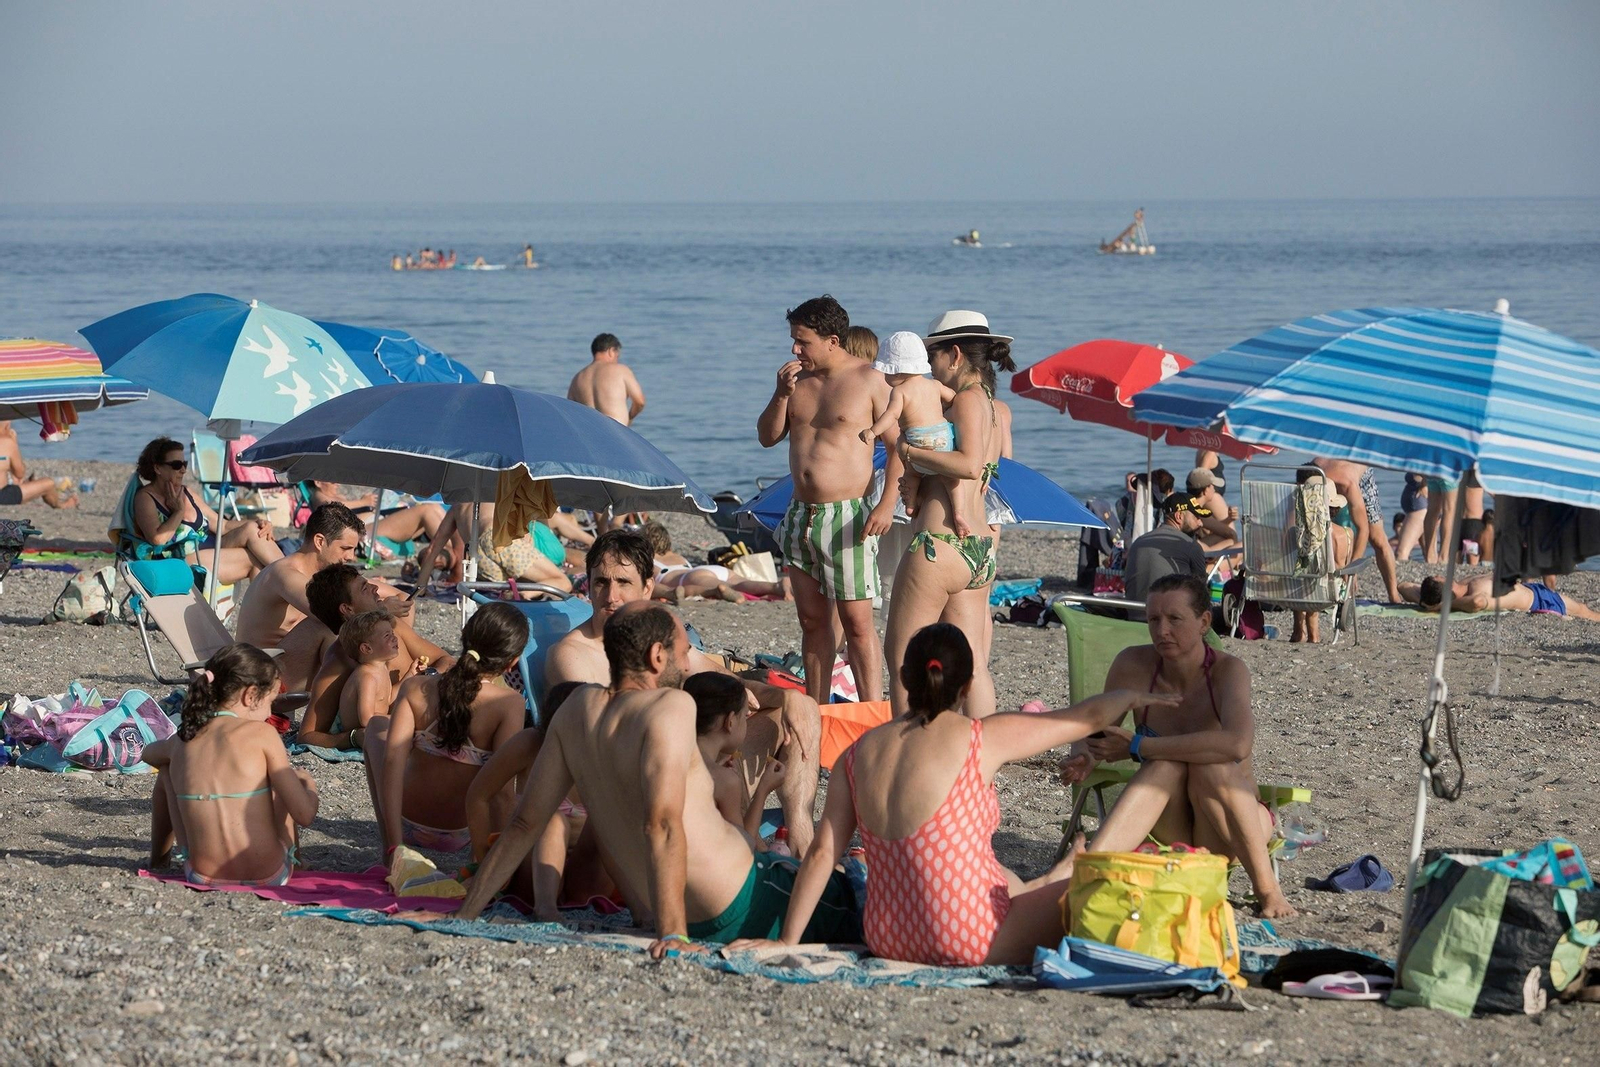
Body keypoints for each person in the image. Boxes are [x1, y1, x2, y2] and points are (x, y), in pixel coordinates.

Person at [731, 623, 1174, 965]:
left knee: (996, 869)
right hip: (969, 936)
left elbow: (823, 851)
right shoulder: (981, 738)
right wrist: (1133, 693)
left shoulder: (858, 751)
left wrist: (787, 940)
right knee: (1096, 887)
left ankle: (1044, 881)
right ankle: (1059, 878)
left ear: (903, 679)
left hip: (888, 939)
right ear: (966, 687)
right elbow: (1086, 716)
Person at [446, 603, 860, 956]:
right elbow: (662, 822)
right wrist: (673, 934)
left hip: (688, 906)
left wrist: (465, 914)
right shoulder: (671, 705)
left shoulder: (573, 711)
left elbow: (524, 824)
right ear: (657, 657)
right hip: (746, 897)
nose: (686, 664)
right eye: (683, 653)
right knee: (861, 897)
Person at [546, 530, 821, 856]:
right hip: (637, 787)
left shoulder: (658, 631)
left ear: (648, 587)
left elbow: (726, 678)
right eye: (601, 583)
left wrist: (787, 698)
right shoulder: (572, 654)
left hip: (688, 767)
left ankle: (802, 841)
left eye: (623, 583)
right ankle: (746, 842)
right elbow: (603, 742)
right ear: (588, 585)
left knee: (798, 709)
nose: (611, 596)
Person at [1060, 574, 1296, 918]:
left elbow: (1237, 745)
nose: (1161, 630)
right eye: (1154, 619)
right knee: (1165, 766)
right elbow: (1097, 729)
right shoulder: (1133, 665)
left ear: (1203, 622)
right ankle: (1087, 870)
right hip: (1168, 823)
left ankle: (1268, 890)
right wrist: (1084, 755)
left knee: (1210, 765)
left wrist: (1141, 746)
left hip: (1230, 824)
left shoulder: (1228, 671)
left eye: (1174, 619)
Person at [757, 295, 901, 708]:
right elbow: (768, 437)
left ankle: (872, 713)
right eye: (793, 340)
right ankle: (815, 711)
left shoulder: (870, 382)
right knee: (811, 621)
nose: (794, 349)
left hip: (848, 517)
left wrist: (886, 503)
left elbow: (898, 450)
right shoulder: (796, 382)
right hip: (800, 515)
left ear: (832, 340)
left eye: (802, 341)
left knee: (857, 624)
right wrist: (780, 394)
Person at [882, 311, 1010, 719]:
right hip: (977, 548)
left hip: (940, 545)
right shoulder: (990, 404)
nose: (927, 366)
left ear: (953, 355)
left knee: (902, 655)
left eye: (931, 355)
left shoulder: (969, 400)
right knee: (971, 662)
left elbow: (970, 465)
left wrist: (910, 454)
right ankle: (978, 756)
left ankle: (903, 753)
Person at [144, 645, 319, 886]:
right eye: (270, 702)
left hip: (201, 874)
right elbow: (305, 815)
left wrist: (181, 759)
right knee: (286, 780)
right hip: (270, 873)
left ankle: (158, 862)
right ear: (250, 695)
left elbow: (147, 754)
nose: (270, 712)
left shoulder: (183, 738)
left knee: (166, 772)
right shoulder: (263, 733)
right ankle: (297, 862)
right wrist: (308, 786)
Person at [366, 602, 530, 858]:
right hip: (464, 833)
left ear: (465, 637)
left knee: (377, 727)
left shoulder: (416, 688)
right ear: (513, 662)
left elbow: (391, 763)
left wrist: (395, 849)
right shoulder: (508, 703)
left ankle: (391, 848)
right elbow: (502, 793)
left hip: (405, 822)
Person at [461, 681, 620, 917]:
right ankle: (545, 908)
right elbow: (478, 795)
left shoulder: (605, 756)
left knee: (607, 823)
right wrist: (484, 857)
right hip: (529, 871)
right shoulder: (531, 744)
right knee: (551, 821)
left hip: (584, 878)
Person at [295, 566, 454, 749]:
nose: (375, 588)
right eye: (364, 588)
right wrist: (354, 738)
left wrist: (429, 677)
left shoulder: (393, 628)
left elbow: (446, 660)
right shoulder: (339, 662)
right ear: (347, 609)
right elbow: (307, 735)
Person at [129, 437, 283, 583]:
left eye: (185, 464)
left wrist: (259, 522)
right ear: (157, 468)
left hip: (206, 550)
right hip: (176, 562)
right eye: (176, 465)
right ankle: (292, 578)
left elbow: (221, 525)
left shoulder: (186, 492)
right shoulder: (145, 498)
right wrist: (178, 512)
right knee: (256, 562)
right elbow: (158, 539)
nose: (183, 470)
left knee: (254, 529)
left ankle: (290, 577)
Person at [862, 331, 969, 535]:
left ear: (897, 371)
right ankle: (959, 513)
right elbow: (954, 398)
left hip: (917, 442)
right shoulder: (935, 385)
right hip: (942, 441)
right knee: (952, 480)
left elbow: (890, 416)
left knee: (911, 473)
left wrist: (872, 431)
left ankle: (910, 505)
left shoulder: (899, 392)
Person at [233, 502, 364, 649]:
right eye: (345, 548)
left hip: (288, 661)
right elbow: (334, 618)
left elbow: (368, 588)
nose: (351, 557)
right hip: (260, 665)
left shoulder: (322, 577)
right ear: (320, 542)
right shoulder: (285, 574)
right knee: (326, 628)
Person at [688, 672, 786, 847]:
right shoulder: (724, 781)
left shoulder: (668, 759)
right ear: (730, 722)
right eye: (745, 717)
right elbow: (744, 846)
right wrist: (763, 790)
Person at [1314, 457, 1402, 603]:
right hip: (1329, 470)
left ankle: (1394, 596)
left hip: (1360, 475)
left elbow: (1363, 529)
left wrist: (1353, 569)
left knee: (1377, 538)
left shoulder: (1348, 485)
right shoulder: (1310, 477)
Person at [303, 481, 450, 563]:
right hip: (367, 529)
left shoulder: (338, 495)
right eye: (331, 479)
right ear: (318, 482)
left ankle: (457, 549)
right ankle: (457, 551)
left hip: (377, 521)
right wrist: (362, 501)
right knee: (426, 511)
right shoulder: (318, 496)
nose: (337, 483)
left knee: (433, 508)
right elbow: (328, 507)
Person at [643, 521, 786, 602]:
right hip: (714, 570)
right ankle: (774, 587)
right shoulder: (676, 555)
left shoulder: (650, 560)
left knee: (731, 587)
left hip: (691, 577)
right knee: (742, 583)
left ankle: (768, 591)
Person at [1122, 493, 1208, 620]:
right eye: (1196, 517)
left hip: (1134, 615)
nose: (1200, 523)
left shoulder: (1138, 542)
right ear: (1179, 516)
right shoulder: (1190, 545)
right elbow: (1200, 595)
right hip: (1167, 621)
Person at [1402, 573, 1600, 620]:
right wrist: (1440, 607)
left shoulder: (1461, 585)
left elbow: (1403, 586)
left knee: (1583, 608)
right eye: (1440, 576)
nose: (1443, 573)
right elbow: (1478, 603)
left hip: (1530, 587)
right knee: (1583, 610)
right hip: (1539, 600)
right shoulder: (1474, 593)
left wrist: (1425, 602)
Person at [336, 610, 402, 743]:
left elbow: (387, 699)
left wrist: (411, 674)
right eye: (387, 635)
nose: (394, 638)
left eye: (393, 634)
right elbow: (367, 719)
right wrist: (396, 719)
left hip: (376, 724)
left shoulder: (381, 668)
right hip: (362, 730)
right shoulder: (367, 677)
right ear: (366, 649)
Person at [567, 333, 645, 427]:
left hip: (590, 435)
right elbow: (640, 402)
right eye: (617, 356)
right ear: (611, 351)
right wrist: (630, 418)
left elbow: (569, 411)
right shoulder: (620, 370)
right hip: (615, 432)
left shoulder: (578, 378)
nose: (617, 359)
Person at [0, 421, 76, 508]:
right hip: (3, 495)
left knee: (20, 482)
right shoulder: (7, 442)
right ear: (6, 427)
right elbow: (20, 473)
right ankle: (61, 506)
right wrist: (14, 442)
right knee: (49, 484)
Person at [1185, 468, 1238, 551]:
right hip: (1194, 552)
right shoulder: (1198, 512)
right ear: (1205, 491)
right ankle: (1210, 562)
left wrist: (1228, 519)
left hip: (1187, 548)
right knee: (1234, 542)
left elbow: (1217, 529)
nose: (1214, 489)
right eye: (1212, 486)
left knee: (1221, 537)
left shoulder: (1186, 505)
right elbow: (1230, 533)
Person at [1394, 473, 1429, 560]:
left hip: (1420, 506)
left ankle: (1399, 573)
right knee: (1428, 552)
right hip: (1420, 506)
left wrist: (1425, 484)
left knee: (1401, 552)